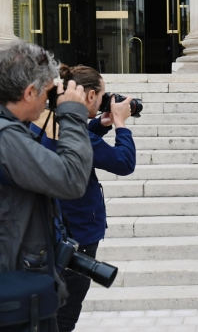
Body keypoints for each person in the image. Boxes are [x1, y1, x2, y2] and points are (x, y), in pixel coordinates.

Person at [30, 65, 136, 332]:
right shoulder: (77, 134)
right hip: (78, 234)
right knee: (65, 314)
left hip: (51, 229)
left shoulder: (49, 123)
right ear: (89, 97)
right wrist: (121, 124)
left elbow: (79, 142)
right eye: (101, 97)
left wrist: (99, 124)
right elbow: (123, 162)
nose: (103, 102)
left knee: (53, 310)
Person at [0, 42, 93, 332]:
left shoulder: (13, 132)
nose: (49, 100)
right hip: (14, 290)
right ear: (29, 92)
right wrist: (74, 115)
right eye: (48, 91)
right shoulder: (6, 138)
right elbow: (71, 178)